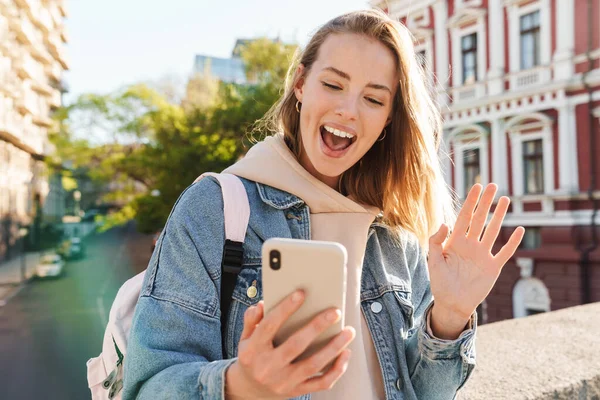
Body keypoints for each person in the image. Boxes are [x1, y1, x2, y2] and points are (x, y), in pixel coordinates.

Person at [122, 9, 524, 400]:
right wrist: (243, 385)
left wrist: (450, 318)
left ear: (388, 120)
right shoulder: (215, 208)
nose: (347, 111)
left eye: (373, 99)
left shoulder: (397, 235)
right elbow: (148, 387)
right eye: (333, 85)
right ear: (300, 84)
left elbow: (427, 393)